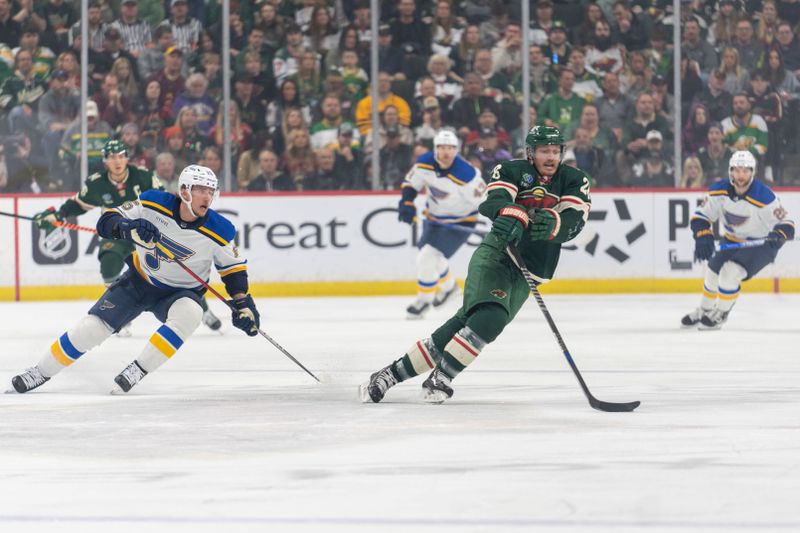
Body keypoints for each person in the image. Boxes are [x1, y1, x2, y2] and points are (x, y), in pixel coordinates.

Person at [361, 126, 591, 403]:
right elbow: (493, 200)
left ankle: (389, 374)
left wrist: (554, 224)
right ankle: (441, 377)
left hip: (533, 269)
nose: (551, 157)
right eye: (544, 151)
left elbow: (574, 221)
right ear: (531, 152)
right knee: (491, 317)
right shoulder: (511, 170)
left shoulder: (574, 179)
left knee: (465, 323)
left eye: (555, 151)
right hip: (496, 254)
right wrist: (511, 210)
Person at [9, 165, 260, 395]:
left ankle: (138, 369)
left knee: (192, 313)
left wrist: (243, 304)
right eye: (201, 190)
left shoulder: (221, 229)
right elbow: (107, 221)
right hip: (139, 281)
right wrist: (128, 227)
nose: (207, 196)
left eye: (211, 191)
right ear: (184, 190)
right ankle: (39, 372)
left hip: (181, 293)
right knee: (91, 328)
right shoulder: (153, 202)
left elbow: (233, 271)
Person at [32, 139, 222, 333]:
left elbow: (166, 202)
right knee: (109, 261)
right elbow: (78, 204)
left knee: (176, 272)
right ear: (105, 160)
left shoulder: (144, 176)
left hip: (149, 233)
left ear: (127, 158)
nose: (118, 161)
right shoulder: (97, 183)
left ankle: (204, 311)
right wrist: (58, 215)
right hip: (118, 233)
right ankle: (118, 313)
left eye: (121, 156)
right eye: (113, 157)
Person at [681, 151, 795, 330]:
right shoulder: (719, 190)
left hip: (761, 245)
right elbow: (701, 215)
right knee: (712, 270)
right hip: (732, 239)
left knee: (730, 273)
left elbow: (787, 223)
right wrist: (702, 234)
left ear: (752, 172)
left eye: (745, 171)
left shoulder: (764, 196)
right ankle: (705, 309)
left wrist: (779, 234)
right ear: (730, 171)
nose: (741, 175)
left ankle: (721, 313)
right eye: (737, 170)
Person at [398, 129, 486, 319]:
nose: (446, 153)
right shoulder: (424, 162)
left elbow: (486, 202)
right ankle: (449, 288)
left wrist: (503, 221)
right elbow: (411, 183)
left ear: (457, 150)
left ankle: (424, 300)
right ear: (435, 149)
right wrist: (406, 202)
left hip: (462, 221)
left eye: (451, 148)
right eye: (441, 148)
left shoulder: (466, 175)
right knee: (431, 258)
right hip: (434, 218)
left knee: (426, 257)